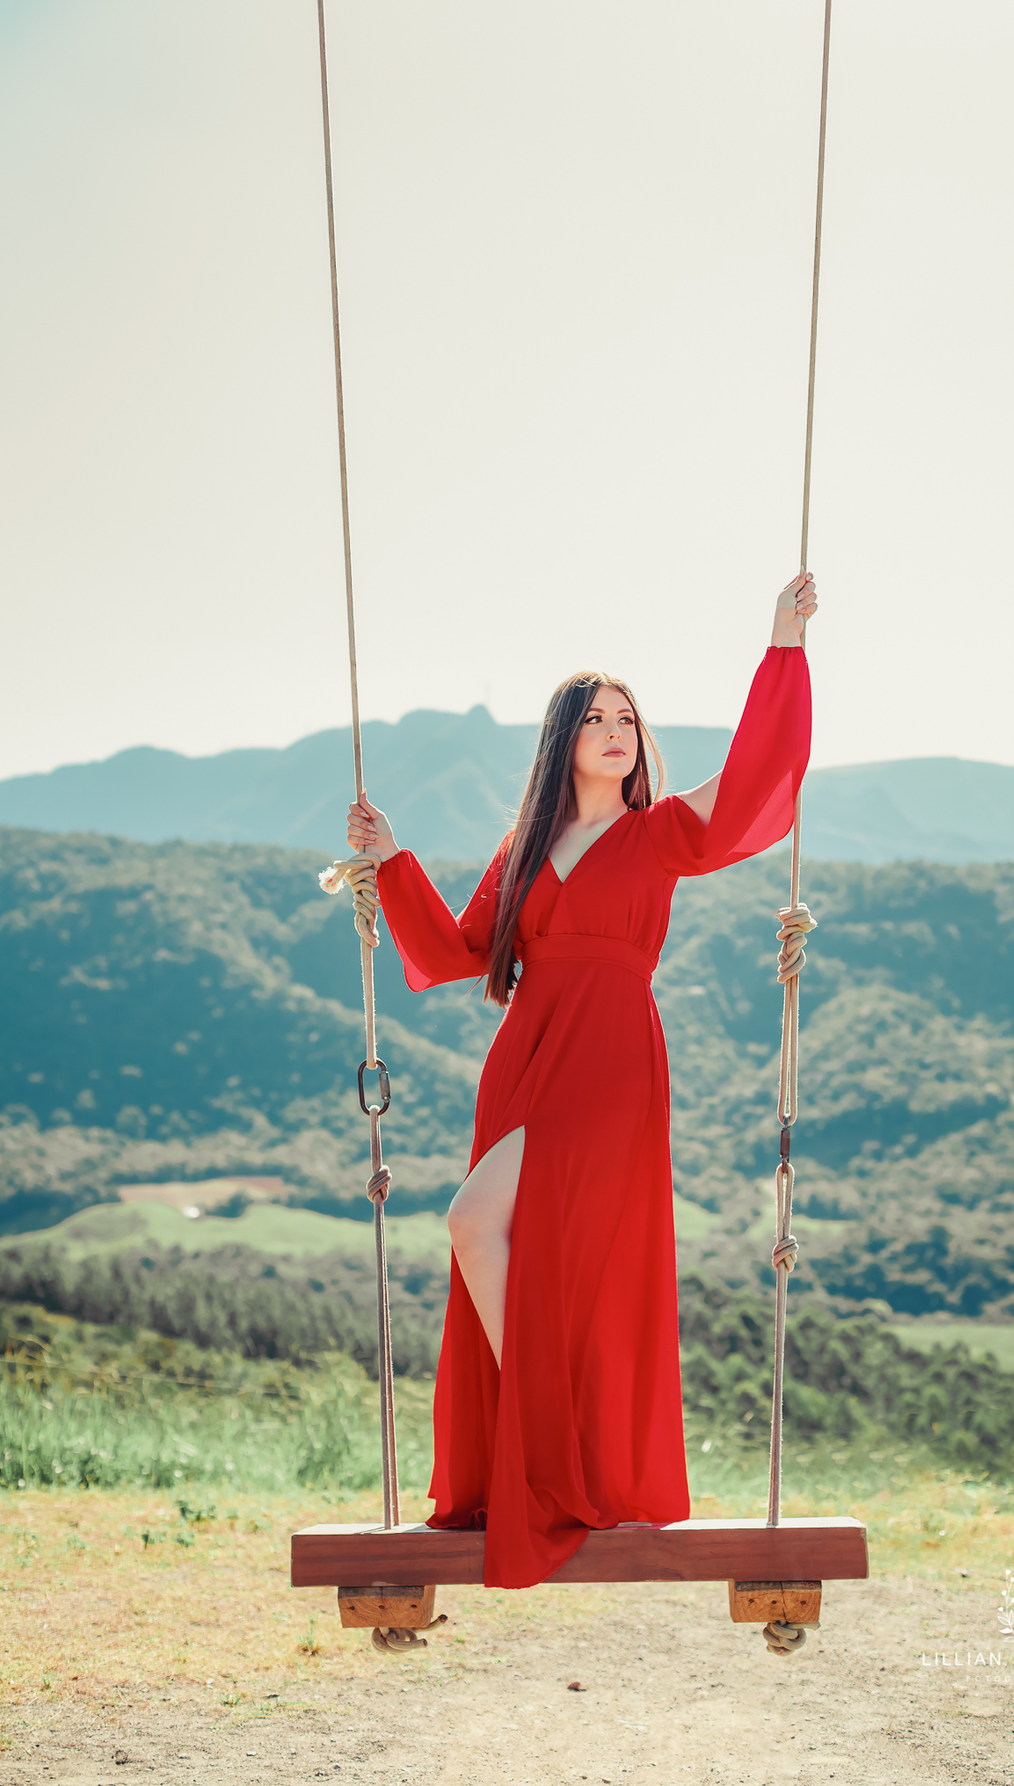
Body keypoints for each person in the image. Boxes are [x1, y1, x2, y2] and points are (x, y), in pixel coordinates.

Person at [346, 573, 817, 1588]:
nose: (616, 730)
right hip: (524, 1058)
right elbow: (463, 950)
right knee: (488, 1231)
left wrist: (781, 647)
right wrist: (392, 865)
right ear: (564, 740)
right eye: (595, 718)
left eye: (628, 718)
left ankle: (554, 1447)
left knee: (480, 1223)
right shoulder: (525, 847)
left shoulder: (659, 836)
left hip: (609, 1062)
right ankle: (550, 1447)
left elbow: (756, 786)